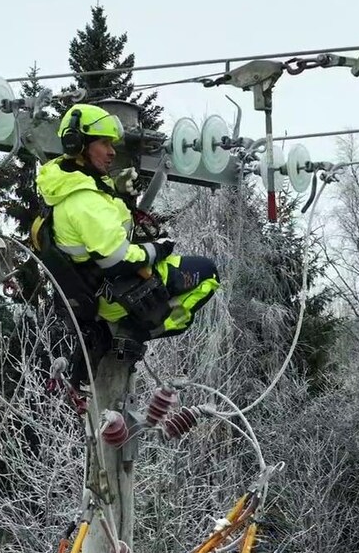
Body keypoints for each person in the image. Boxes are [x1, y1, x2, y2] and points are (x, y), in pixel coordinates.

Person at [31, 103, 220, 362]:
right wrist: (159, 248)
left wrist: (117, 192)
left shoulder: (67, 181)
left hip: (92, 288)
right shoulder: (85, 200)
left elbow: (102, 219)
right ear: (79, 144)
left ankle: (129, 327)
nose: (112, 152)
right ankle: (137, 332)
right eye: (104, 144)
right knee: (208, 273)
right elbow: (115, 258)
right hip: (113, 295)